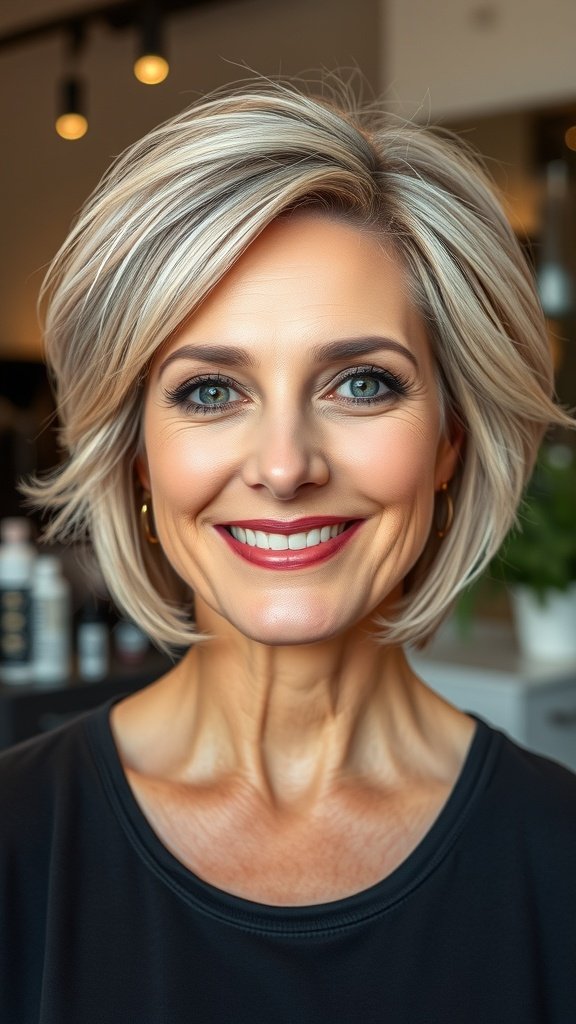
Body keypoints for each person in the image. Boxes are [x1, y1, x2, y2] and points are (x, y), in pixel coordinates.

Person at [1, 75, 575, 1023]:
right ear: (139, 456)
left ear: (449, 444)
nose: (283, 466)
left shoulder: (558, 860)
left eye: (360, 383)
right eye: (210, 392)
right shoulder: (19, 842)